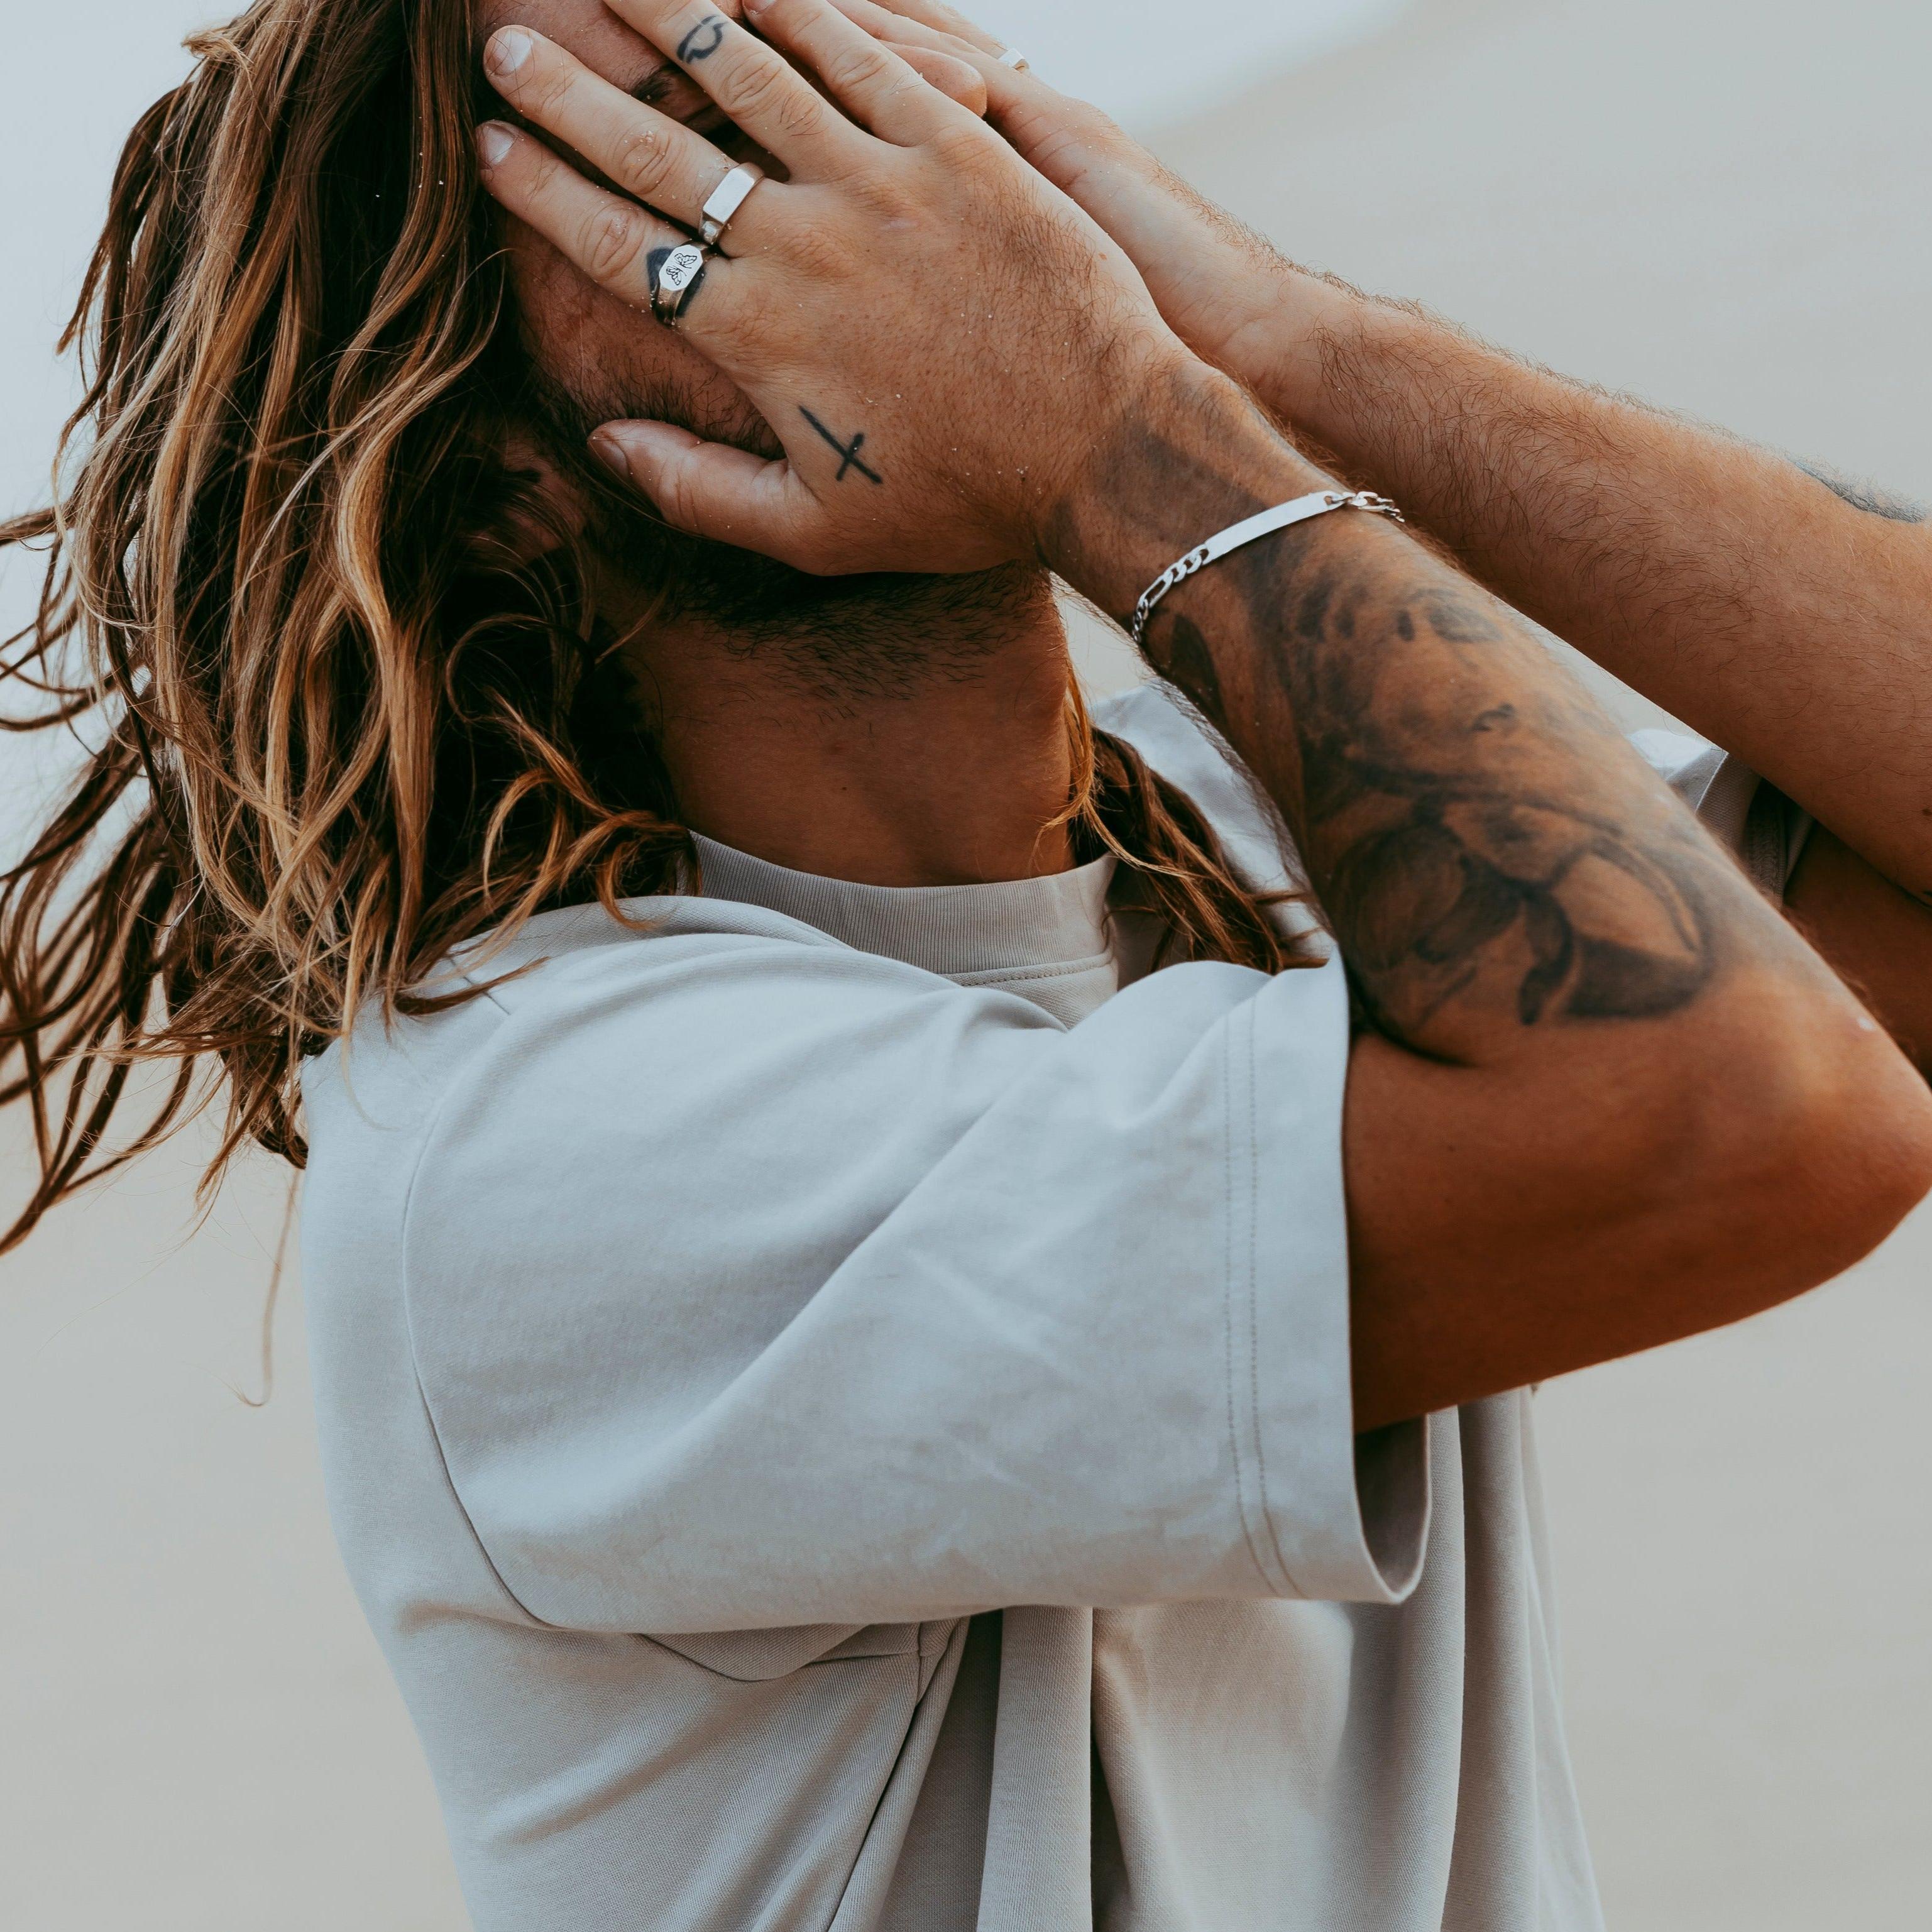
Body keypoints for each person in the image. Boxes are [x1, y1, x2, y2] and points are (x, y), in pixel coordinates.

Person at [3, 2, 1929, 1928]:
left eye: (847, 71)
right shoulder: (550, 1133)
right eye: (683, 147)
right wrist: (1112, 429)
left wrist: (1276, 348)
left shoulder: (1253, 836)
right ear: (490, 472)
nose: (872, 173)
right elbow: (1755, 1117)